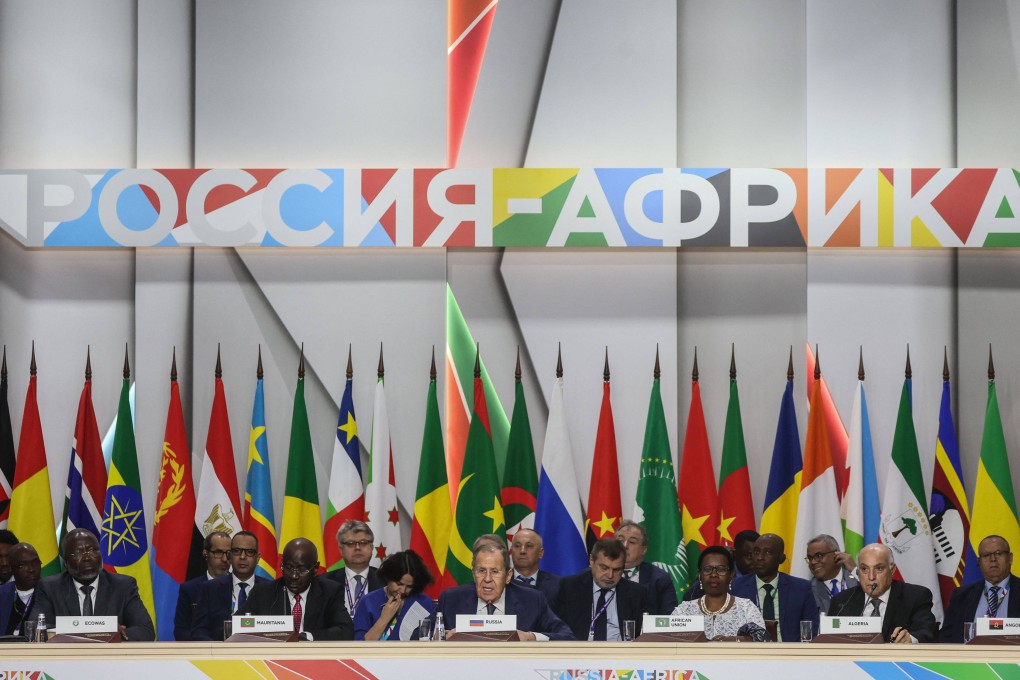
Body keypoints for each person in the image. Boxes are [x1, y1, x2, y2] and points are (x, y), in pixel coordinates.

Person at [33, 528, 154, 641]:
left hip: (110, 660)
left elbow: (146, 631)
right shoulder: (50, 587)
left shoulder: (123, 586)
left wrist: (118, 634)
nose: (87, 557)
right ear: (65, 562)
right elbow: (35, 629)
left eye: (92, 550)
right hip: (67, 659)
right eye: (78, 553)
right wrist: (101, 632)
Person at [436, 542, 573, 641]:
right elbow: (419, 635)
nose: (487, 579)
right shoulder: (451, 599)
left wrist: (529, 637)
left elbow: (567, 636)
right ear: (473, 574)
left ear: (508, 576)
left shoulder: (532, 600)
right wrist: (443, 635)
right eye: (482, 571)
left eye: (495, 572)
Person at [238, 537, 353, 641]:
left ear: (315, 569)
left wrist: (308, 636)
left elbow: (345, 630)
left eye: (301, 569)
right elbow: (236, 626)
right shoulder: (263, 593)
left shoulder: (330, 591)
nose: (293, 576)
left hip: (315, 659)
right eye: (288, 568)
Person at [828, 543, 937, 643]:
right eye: (864, 569)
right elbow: (828, 639)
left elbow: (926, 632)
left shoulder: (915, 596)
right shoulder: (842, 600)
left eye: (879, 568)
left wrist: (910, 639)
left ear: (892, 570)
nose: (871, 577)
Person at [553, 537, 649, 641]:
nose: (610, 575)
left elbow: (646, 636)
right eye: (604, 568)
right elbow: (556, 629)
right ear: (591, 561)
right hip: (579, 653)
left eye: (617, 570)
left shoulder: (637, 593)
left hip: (621, 654)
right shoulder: (569, 587)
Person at [730, 533, 818, 642]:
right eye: (756, 551)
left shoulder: (801, 589)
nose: (760, 557)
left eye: (768, 552)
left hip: (790, 654)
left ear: (781, 558)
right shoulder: (735, 588)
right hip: (749, 654)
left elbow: (811, 632)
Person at [671, 546, 769, 642]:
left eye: (721, 569)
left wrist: (734, 640)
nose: (713, 574)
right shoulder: (683, 610)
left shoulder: (746, 608)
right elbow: (666, 641)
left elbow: (763, 640)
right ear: (700, 575)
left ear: (731, 575)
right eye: (707, 569)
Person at [190, 531, 270, 640]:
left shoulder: (271, 589)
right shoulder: (209, 589)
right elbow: (198, 630)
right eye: (237, 551)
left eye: (249, 552)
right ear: (229, 556)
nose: (242, 556)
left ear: (258, 557)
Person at [940, 535, 1020, 642]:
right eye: (986, 555)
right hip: (969, 657)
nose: (993, 559)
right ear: (979, 562)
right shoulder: (961, 596)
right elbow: (946, 638)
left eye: (999, 553)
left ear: (1010, 558)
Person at [354, 549, 435, 641]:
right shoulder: (368, 601)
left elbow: (430, 643)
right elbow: (360, 646)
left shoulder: (424, 602)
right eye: (399, 584)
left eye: (409, 586)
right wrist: (384, 619)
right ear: (388, 577)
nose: (403, 590)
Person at [174, 530, 231, 641]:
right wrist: (210, 646)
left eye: (228, 553)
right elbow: (181, 632)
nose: (224, 559)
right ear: (206, 553)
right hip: (202, 652)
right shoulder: (190, 589)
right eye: (218, 553)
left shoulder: (239, 586)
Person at [615, 520, 678, 615]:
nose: (625, 546)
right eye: (620, 540)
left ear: (643, 550)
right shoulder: (597, 574)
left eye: (632, 542)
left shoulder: (659, 578)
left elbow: (669, 618)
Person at [322, 520, 381, 618]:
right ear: (341, 549)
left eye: (363, 543)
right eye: (350, 543)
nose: (357, 548)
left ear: (371, 548)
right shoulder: (324, 582)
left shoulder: (386, 580)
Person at [805, 533, 858, 614]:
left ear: (836, 554)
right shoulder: (807, 590)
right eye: (810, 558)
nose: (813, 562)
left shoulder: (857, 580)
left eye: (819, 556)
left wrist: (855, 570)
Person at [510, 528, 560, 603]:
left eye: (529, 546)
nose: (522, 551)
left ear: (541, 553)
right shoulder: (500, 583)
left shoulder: (557, 585)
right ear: (511, 551)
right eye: (517, 546)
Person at [0, 542, 40, 636]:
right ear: (11, 568)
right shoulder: (2, 594)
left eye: (35, 563)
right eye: (22, 565)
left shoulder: (51, 593)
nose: (31, 569)